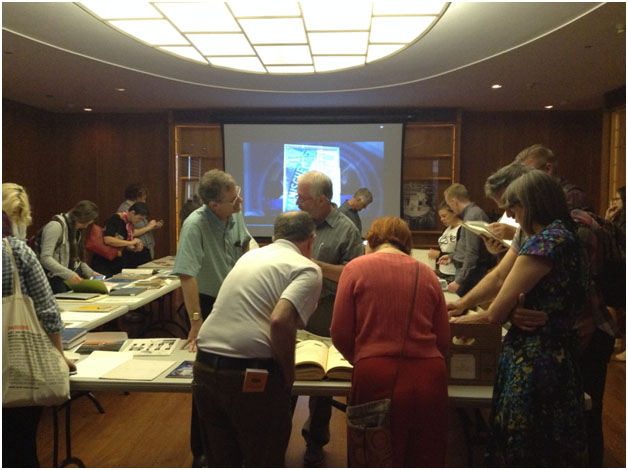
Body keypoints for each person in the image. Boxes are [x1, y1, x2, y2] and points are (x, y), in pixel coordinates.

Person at [452, 170, 587, 466]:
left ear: (532, 203)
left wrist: (449, 322)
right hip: (554, 352)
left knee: (525, 447)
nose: (511, 215)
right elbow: (500, 276)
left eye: (515, 208)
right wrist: (462, 304)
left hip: (536, 359)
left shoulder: (547, 241)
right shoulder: (554, 233)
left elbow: (494, 314)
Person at [192, 211, 322, 467]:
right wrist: (288, 376)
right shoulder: (307, 268)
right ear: (311, 240)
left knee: (221, 460)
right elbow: (280, 321)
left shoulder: (251, 256)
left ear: (275, 237)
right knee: (264, 458)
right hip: (250, 374)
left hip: (204, 366)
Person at [331, 217, 449, 467]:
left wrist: (363, 358)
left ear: (372, 240)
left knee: (372, 455)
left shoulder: (355, 269)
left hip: (376, 375)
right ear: (407, 243)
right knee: (425, 458)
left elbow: (340, 332)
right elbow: (444, 338)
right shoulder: (427, 273)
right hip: (430, 377)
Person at [171, 169, 253, 467]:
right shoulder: (195, 225)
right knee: (206, 380)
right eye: (233, 199)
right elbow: (186, 274)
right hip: (207, 303)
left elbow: (244, 246)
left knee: (236, 376)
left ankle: (234, 448)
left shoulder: (235, 213)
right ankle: (202, 452)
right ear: (213, 205)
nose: (240, 201)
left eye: (238, 193)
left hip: (236, 300)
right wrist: (196, 321)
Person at [2, 186, 77, 468]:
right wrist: (58, 356)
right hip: (15, 364)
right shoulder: (16, 250)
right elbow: (47, 310)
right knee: (18, 446)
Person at [295, 170, 363, 467]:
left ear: (322, 200)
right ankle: (273, 438)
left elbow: (352, 273)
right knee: (285, 372)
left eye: (303, 198)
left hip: (326, 311)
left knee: (320, 377)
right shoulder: (297, 223)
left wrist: (312, 265)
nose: (297, 202)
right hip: (293, 307)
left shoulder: (346, 229)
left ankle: (315, 441)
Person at [38, 200, 101, 293]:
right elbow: (45, 258)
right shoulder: (55, 226)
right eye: (84, 223)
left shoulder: (75, 229)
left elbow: (76, 259)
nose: (85, 227)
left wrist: (90, 273)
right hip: (53, 279)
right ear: (79, 217)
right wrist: (68, 274)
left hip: (67, 278)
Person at [443, 183, 494, 297]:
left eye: (449, 205)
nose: (450, 208)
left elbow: (472, 253)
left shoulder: (472, 216)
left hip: (469, 274)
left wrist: (459, 281)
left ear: (454, 202)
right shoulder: (472, 214)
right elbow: (468, 248)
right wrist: (451, 257)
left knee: (458, 307)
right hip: (467, 271)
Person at [514, 143, 593, 211]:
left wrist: (517, 229)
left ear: (548, 169)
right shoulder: (535, 197)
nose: (524, 180)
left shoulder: (572, 197)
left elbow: (567, 228)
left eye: (528, 173)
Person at [90, 202, 150, 278]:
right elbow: (108, 239)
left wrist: (134, 248)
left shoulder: (128, 224)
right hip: (104, 261)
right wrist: (130, 242)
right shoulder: (116, 219)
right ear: (132, 213)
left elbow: (122, 243)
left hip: (116, 260)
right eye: (139, 218)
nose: (139, 221)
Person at [117, 184, 163, 259]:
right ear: (136, 197)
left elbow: (140, 227)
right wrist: (148, 227)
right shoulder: (125, 210)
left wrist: (152, 226)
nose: (144, 201)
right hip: (136, 250)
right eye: (143, 198)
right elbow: (129, 232)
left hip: (145, 247)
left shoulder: (138, 208)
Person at [428, 201, 462, 283]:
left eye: (444, 216)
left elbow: (462, 254)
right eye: (440, 216)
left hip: (454, 273)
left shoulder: (462, 229)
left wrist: (439, 254)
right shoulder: (446, 229)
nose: (441, 219)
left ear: (453, 213)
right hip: (443, 271)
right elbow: (443, 249)